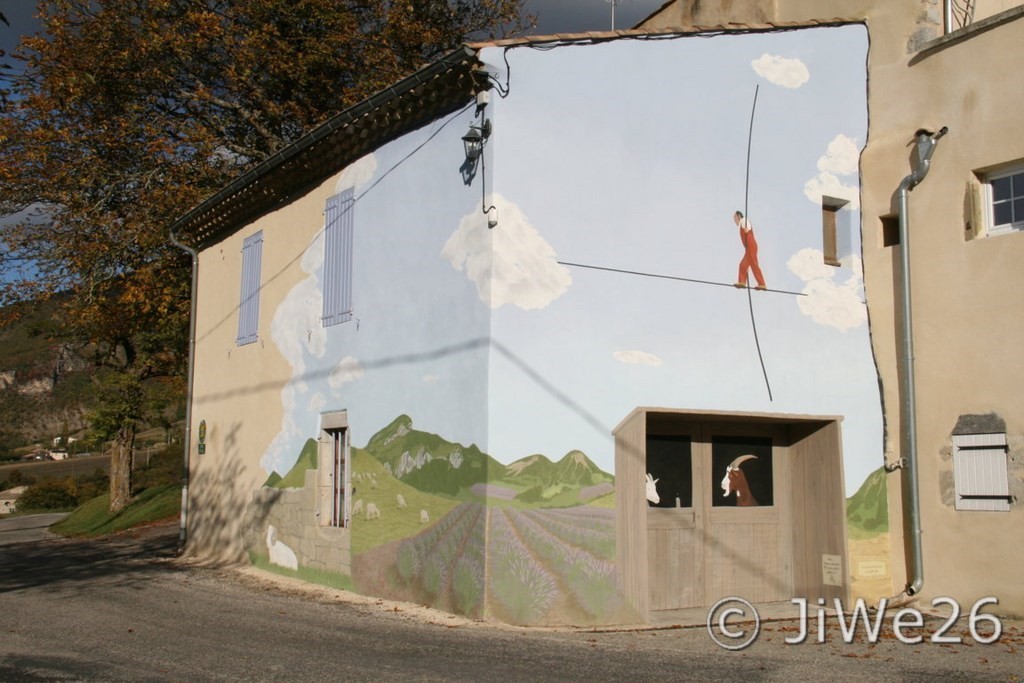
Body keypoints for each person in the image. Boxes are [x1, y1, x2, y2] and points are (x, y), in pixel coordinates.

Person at [733, 210, 766, 290]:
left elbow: (747, 228)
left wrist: (745, 228)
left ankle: (762, 284)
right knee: (743, 265)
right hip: (749, 247)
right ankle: (742, 282)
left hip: (751, 245)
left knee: (753, 264)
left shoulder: (743, 220)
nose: (735, 221)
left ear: (739, 216)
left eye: (735, 219)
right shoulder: (742, 223)